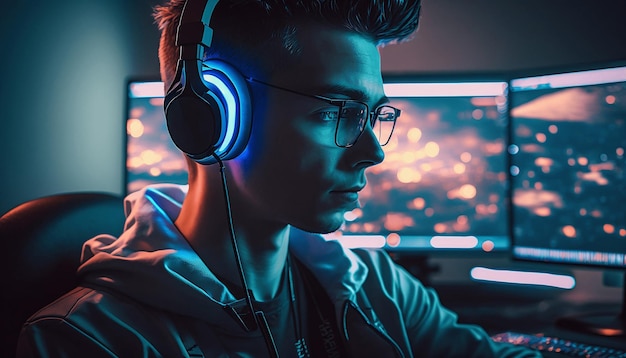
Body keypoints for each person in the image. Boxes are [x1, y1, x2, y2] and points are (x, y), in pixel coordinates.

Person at [17, 0, 541, 357]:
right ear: (214, 115)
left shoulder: (370, 286)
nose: (373, 152)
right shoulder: (90, 341)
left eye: (374, 114)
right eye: (337, 110)